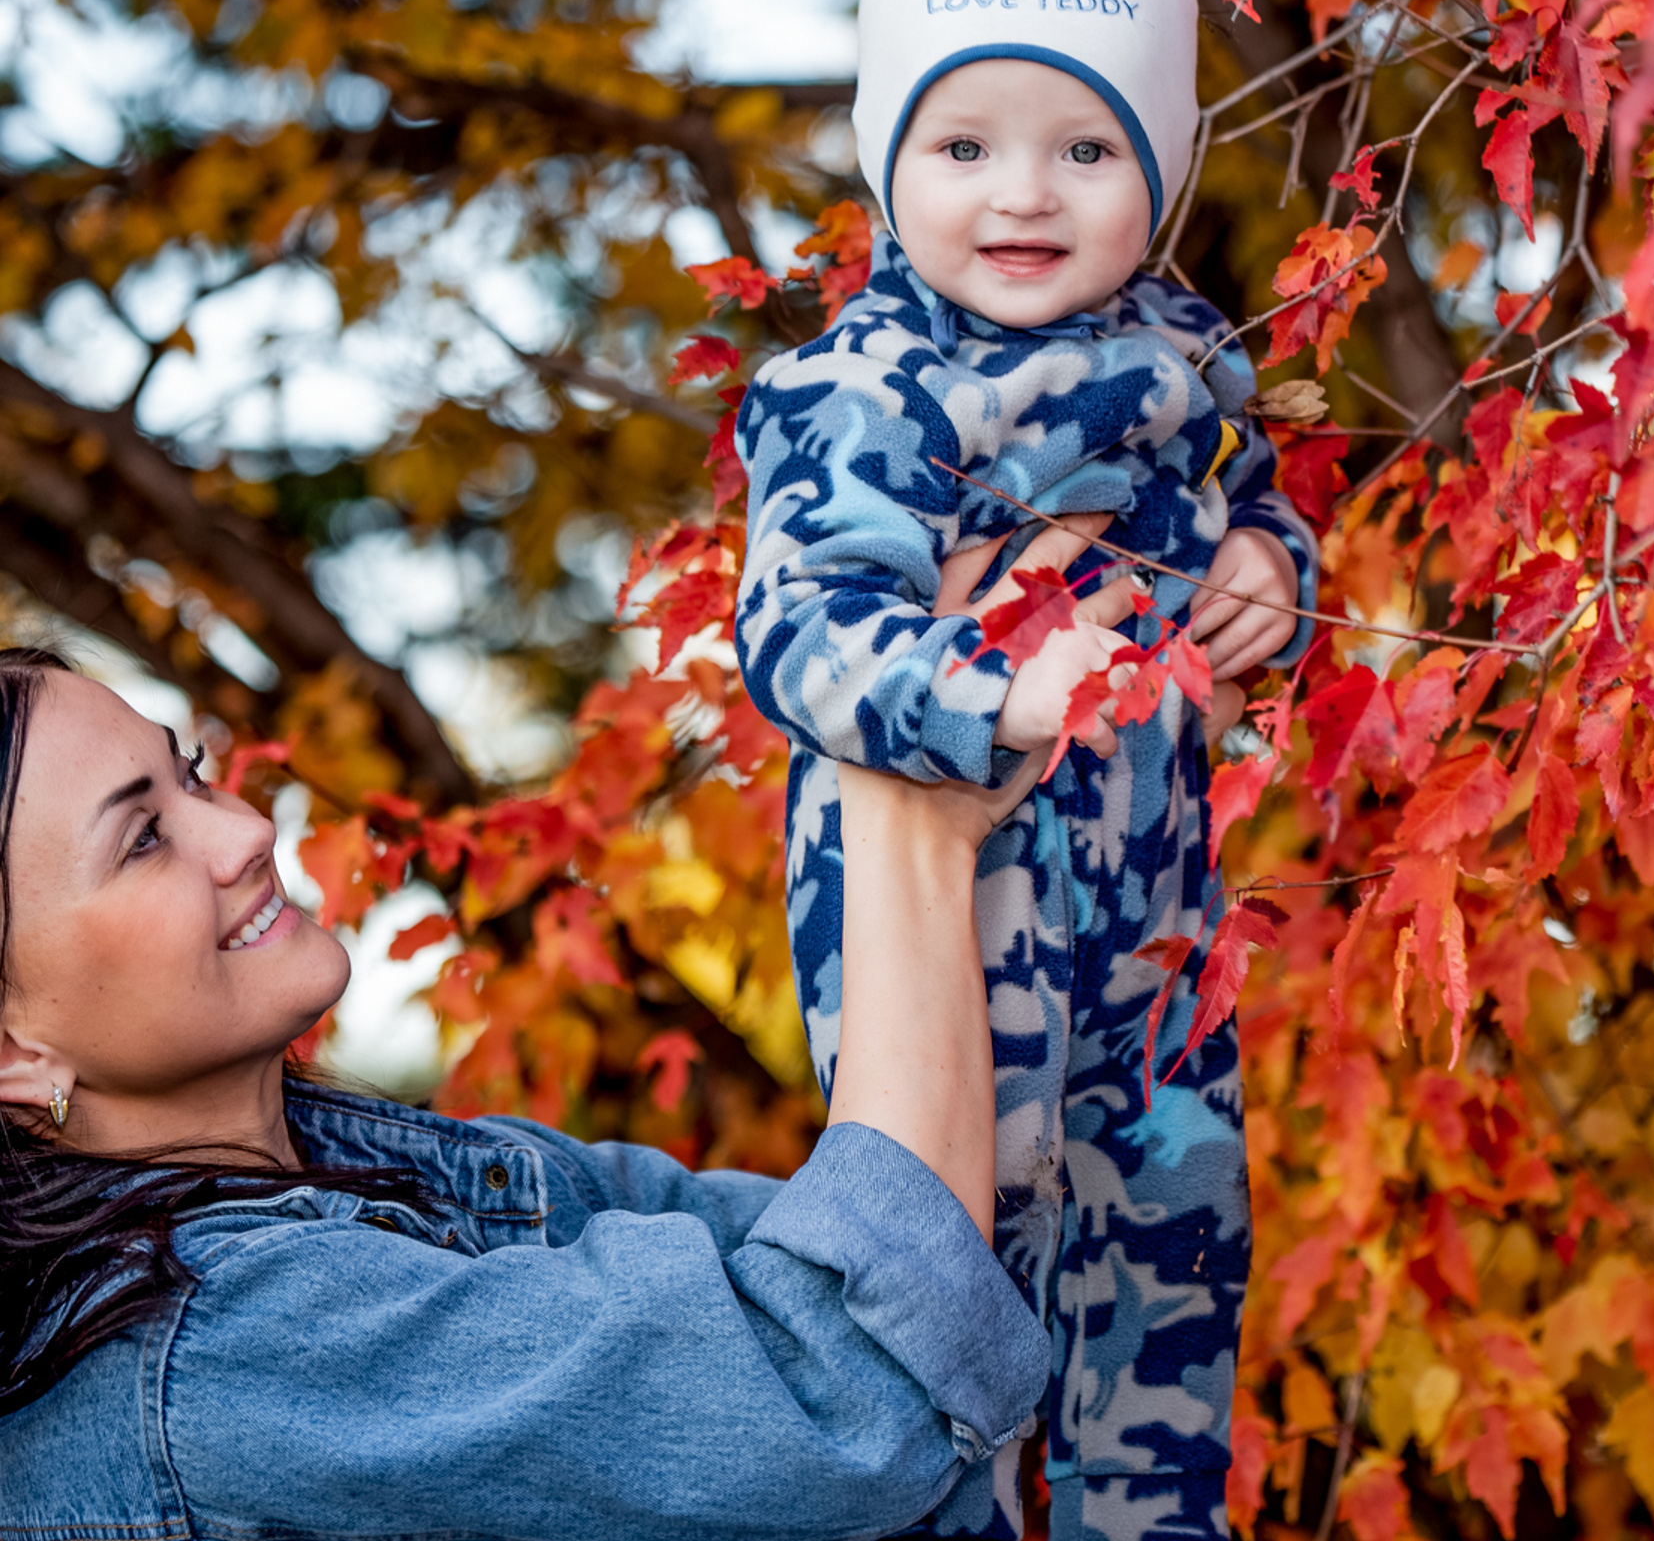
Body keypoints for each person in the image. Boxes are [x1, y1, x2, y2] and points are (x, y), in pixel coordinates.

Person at [0, 550, 1095, 1541]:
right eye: (143, 838)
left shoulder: (414, 1175)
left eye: (191, 773)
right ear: (13, 1056)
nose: (246, 830)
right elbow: (854, 1388)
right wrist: (909, 815)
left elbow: (936, 1270)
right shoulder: (221, 1357)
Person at [735, 0, 1320, 1541]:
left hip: (1154, 946)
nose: (1024, 196)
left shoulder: (1189, 355)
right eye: (963, 145)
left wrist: (1271, 576)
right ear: (885, 160)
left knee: (1171, 1252)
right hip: (951, 939)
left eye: (1086, 148)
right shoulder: (863, 387)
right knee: (955, 1293)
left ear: (1164, 166)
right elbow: (801, 631)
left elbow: (1250, 494)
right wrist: (983, 688)